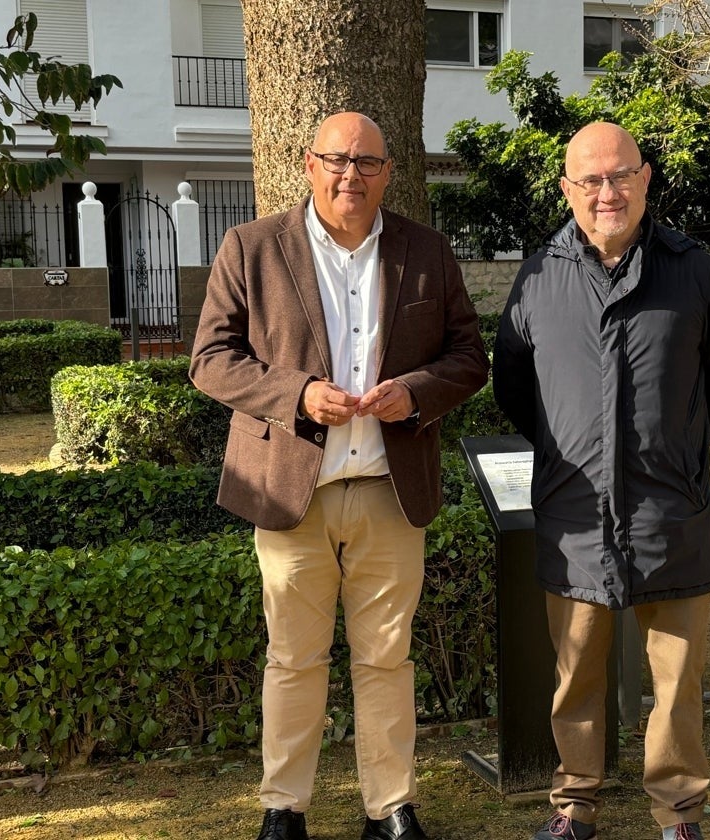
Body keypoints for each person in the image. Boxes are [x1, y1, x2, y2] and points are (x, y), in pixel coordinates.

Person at [190, 111, 489, 840]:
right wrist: (296, 394)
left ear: (388, 172)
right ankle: (283, 808)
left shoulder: (427, 251)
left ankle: (389, 807)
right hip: (291, 491)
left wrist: (416, 392)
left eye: (366, 163)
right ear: (309, 163)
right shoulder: (252, 248)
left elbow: (469, 357)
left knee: (387, 658)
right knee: (293, 657)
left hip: (391, 487)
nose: (350, 174)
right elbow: (211, 361)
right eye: (336, 160)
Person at [492, 121, 710, 840]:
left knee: (677, 684)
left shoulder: (691, 268)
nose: (608, 192)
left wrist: (681, 452)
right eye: (591, 179)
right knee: (575, 677)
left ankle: (678, 814)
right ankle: (574, 805)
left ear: (644, 179)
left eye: (621, 176)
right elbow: (513, 383)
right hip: (575, 515)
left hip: (670, 511)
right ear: (569, 188)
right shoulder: (540, 273)